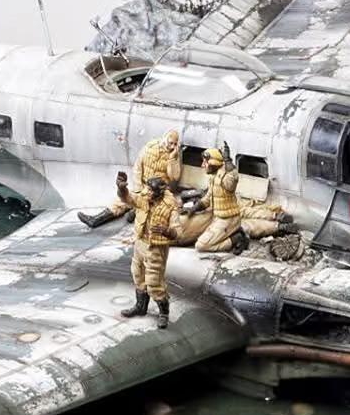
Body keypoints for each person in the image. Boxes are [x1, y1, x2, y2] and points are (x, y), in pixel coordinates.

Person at [115, 172, 181, 329]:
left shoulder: (170, 206)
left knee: (154, 282)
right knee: (137, 274)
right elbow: (128, 198)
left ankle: (164, 313)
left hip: (156, 248)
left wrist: (167, 231)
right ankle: (140, 306)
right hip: (140, 243)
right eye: (148, 189)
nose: (147, 192)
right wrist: (122, 189)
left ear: (159, 192)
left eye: (151, 190)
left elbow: (178, 232)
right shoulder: (144, 197)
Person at [77, 130, 182, 228]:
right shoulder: (150, 147)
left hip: (160, 190)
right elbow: (138, 168)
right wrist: (138, 187)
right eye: (171, 143)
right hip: (144, 185)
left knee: (162, 205)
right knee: (122, 200)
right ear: (165, 140)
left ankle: (135, 212)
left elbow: (175, 177)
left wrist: (172, 158)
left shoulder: (174, 155)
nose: (172, 146)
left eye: (175, 144)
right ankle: (95, 220)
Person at [191, 144, 249, 253]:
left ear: (213, 163)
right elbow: (208, 198)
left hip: (228, 219)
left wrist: (228, 160)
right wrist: (194, 208)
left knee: (201, 246)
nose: (202, 165)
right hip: (217, 217)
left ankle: (236, 238)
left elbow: (232, 179)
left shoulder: (225, 177)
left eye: (205, 162)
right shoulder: (213, 177)